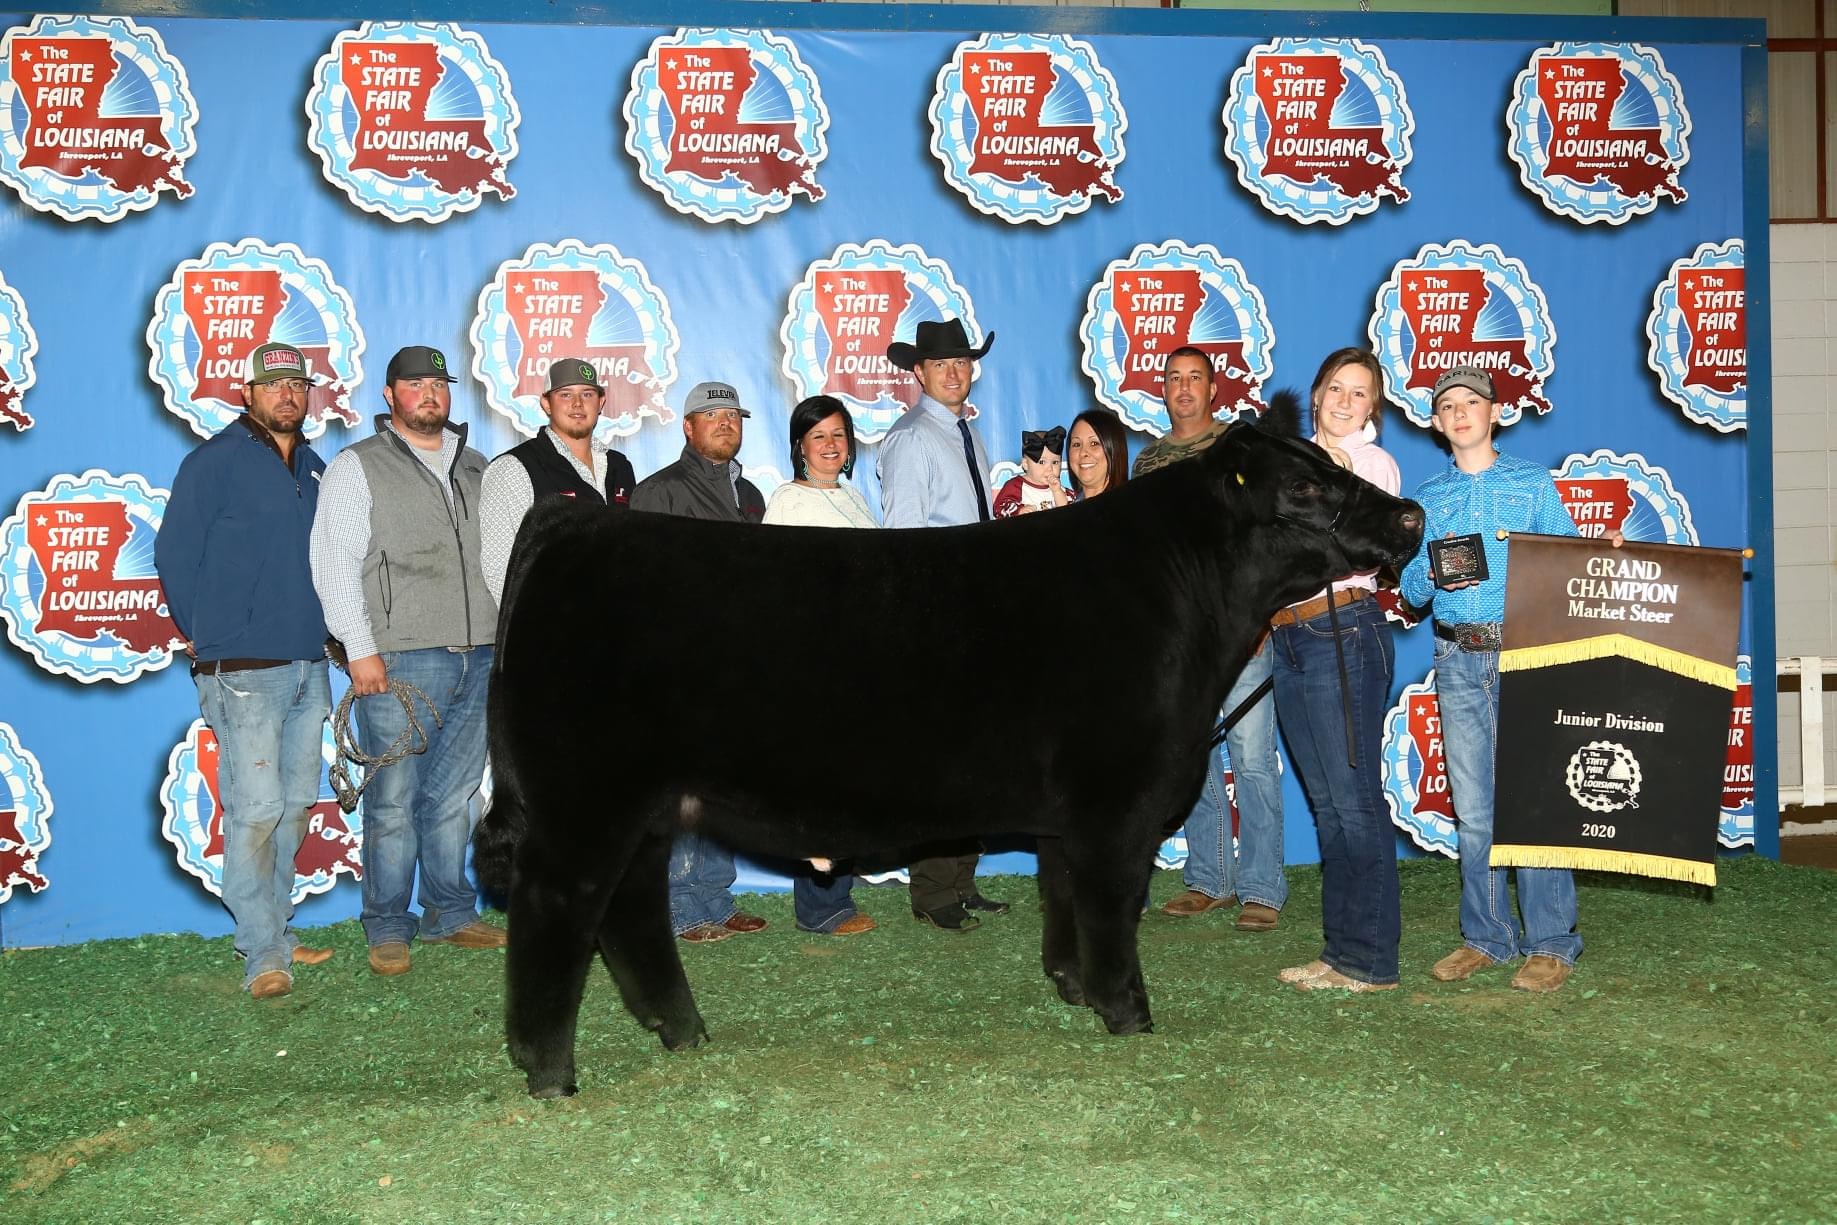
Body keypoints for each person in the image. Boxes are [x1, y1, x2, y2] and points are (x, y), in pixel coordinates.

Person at [1400, 365, 1613, 994]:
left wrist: (1603, 548)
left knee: (1535, 801)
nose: (1461, 411)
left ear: (1496, 413)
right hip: (1458, 660)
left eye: (1473, 402)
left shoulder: (1531, 482)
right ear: (1436, 424)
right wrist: (1431, 577)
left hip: (1525, 652)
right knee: (1474, 809)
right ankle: (1487, 936)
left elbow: (1569, 561)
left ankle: (1551, 941)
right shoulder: (1428, 498)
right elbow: (1410, 589)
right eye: (1448, 406)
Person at [310, 344, 504, 977]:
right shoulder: (355, 466)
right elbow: (334, 567)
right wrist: (360, 650)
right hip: (400, 657)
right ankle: (388, 924)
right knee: (393, 798)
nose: (430, 393)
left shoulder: (477, 467)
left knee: (457, 794)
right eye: (415, 384)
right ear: (389, 396)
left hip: (480, 652)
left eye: (439, 384)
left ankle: (451, 912)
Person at [155, 342, 337, 1000]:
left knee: (292, 808)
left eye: (297, 383)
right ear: (247, 392)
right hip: (243, 669)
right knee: (256, 808)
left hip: (307, 663)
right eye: (273, 383)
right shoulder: (214, 462)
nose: (287, 393)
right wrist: (213, 633)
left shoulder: (315, 467)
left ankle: (278, 931)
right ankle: (260, 949)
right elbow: (175, 554)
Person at [1134, 347, 1286, 932]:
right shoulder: (1148, 462)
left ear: (1213, 388)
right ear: (1163, 388)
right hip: (1179, 636)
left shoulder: (1242, 451)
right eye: (1174, 378)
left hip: (1239, 627)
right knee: (1192, 755)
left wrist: (1259, 613)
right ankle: (1208, 878)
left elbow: (1266, 540)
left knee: (1251, 759)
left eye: (1195, 377)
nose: (1184, 387)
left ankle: (1263, 887)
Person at [1268, 349, 1403, 993]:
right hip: (1289, 637)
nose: (1345, 401)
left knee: (1354, 803)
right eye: (1336, 389)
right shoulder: (1289, 464)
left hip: (1345, 629)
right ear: (1317, 393)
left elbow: (1366, 548)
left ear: (1372, 407)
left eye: (1360, 393)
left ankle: (1371, 960)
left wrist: (1337, 482)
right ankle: (1340, 950)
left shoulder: (1371, 465)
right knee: (1326, 805)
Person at [879, 316, 1009, 932]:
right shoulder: (911, 438)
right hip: (939, 617)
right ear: (920, 373)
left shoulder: (968, 435)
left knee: (976, 756)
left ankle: (961, 880)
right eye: (942, 364)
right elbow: (904, 543)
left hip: (976, 612)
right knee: (938, 761)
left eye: (963, 362)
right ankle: (933, 892)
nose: (955, 372)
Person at [632, 380, 769, 943]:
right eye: (710, 414)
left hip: (737, 663)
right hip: (681, 663)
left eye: (732, 414)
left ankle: (717, 896)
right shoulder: (657, 492)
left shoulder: (752, 496)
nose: (723, 422)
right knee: (683, 790)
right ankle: (684, 907)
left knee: (722, 789)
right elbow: (638, 585)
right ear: (687, 427)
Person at [762, 395, 879, 936]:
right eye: (819, 437)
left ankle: (841, 896)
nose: (831, 445)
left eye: (839, 435)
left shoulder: (856, 501)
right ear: (800, 447)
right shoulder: (788, 502)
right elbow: (772, 589)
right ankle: (820, 907)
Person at [479, 357, 636, 604]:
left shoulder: (620, 466)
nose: (577, 403)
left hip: (618, 627)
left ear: (601, 402)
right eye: (565, 394)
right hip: (551, 632)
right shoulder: (513, 467)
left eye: (587, 394)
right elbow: (500, 568)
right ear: (546, 403)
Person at [993, 427, 1071, 516]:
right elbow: (999, 508)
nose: (1050, 468)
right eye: (1042, 462)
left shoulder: (1061, 489)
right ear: (1026, 464)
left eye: (1055, 462)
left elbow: (1071, 512)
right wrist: (1019, 511)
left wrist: (1057, 492)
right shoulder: (1015, 486)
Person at [1066, 409, 1129, 499]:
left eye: (1094, 443)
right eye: (1077, 444)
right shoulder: (1064, 506)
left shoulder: (1132, 508)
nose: (1083, 452)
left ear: (1115, 450)